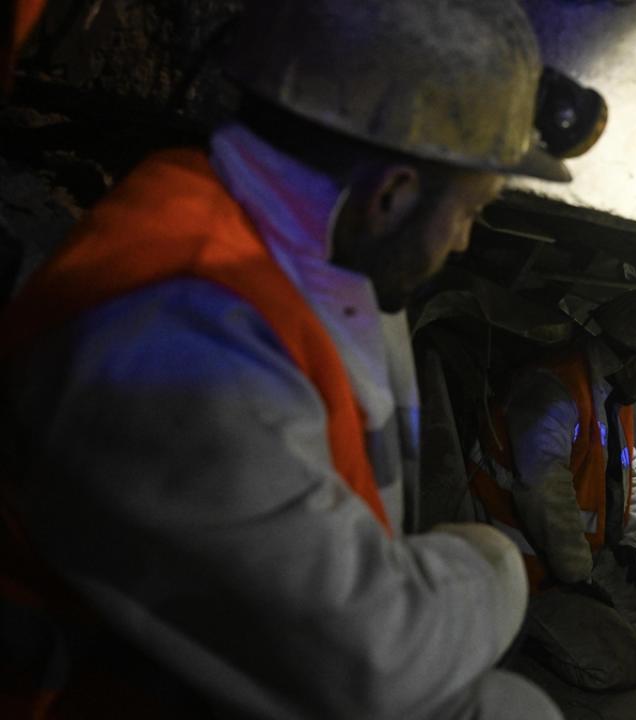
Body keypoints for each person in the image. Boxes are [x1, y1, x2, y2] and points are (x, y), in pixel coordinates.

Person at [0, 1, 575, 717]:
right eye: (471, 211)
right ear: (393, 195)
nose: (463, 241)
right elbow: (376, 656)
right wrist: (496, 560)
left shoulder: (305, 258)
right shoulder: (175, 330)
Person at [469, 291, 636, 691]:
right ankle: (523, 636)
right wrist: (578, 578)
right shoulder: (552, 391)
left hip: (589, 561)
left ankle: (586, 630)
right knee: (623, 665)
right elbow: (544, 493)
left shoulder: (614, 398)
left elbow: (629, 473)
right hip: (528, 572)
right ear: (632, 362)